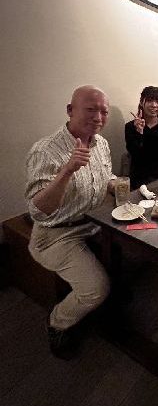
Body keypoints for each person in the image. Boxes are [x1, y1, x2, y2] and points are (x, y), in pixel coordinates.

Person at [25, 85, 115, 359]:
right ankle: (57, 322)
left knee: (133, 243)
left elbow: (104, 178)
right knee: (96, 289)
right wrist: (67, 170)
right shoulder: (46, 151)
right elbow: (38, 211)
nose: (98, 117)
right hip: (56, 235)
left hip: (92, 222)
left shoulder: (101, 143)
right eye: (91, 109)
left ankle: (110, 309)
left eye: (104, 111)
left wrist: (115, 185)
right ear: (70, 110)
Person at [125, 86, 158, 189]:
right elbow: (136, 155)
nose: (154, 105)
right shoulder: (130, 126)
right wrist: (139, 132)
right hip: (140, 175)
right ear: (141, 102)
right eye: (150, 100)